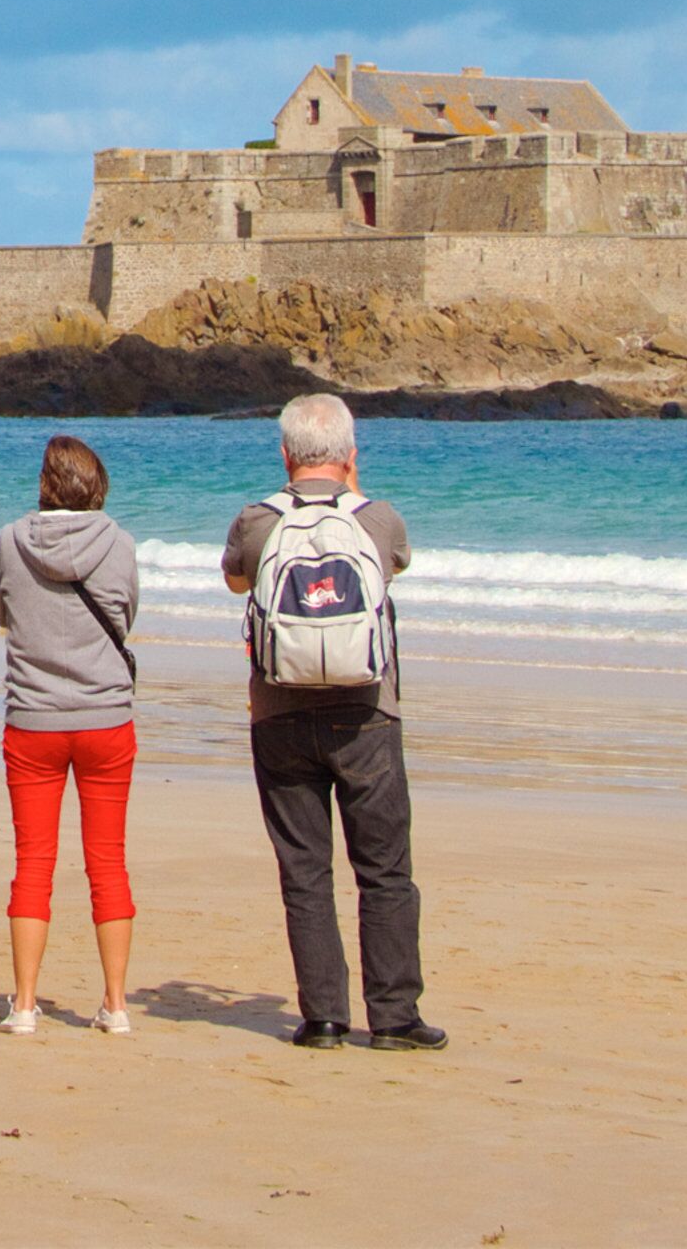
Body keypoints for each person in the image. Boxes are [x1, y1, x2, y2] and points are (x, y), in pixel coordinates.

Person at [223, 393, 438, 1052]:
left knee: (305, 868)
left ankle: (323, 1017)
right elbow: (393, 567)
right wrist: (355, 491)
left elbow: (237, 583)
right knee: (384, 869)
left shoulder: (258, 522)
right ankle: (395, 1015)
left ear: (285, 456)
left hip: (280, 714)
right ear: (350, 456)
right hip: (368, 712)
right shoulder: (378, 519)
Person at [0, 433, 138, 1036]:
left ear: (45, 485)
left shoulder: (10, 540)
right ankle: (116, 1005)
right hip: (106, 718)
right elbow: (125, 614)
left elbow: (2, 611)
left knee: (33, 862)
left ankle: (24, 1005)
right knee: (108, 861)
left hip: (33, 721)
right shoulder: (119, 543)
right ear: (96, 484)